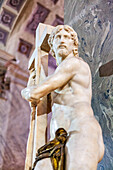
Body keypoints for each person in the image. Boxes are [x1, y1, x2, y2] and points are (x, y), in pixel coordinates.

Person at [21, 25, 104, 170]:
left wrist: (27, 91)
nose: (62, 40)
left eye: (67, 37)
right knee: (41, 166)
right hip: (57, 140)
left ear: (74, 45)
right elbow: (38, 104)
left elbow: (34, 94)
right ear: (52, 46)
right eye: (58, 37)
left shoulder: (74, 64)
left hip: (81, 130)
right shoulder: (58, 77)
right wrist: (33, 80)